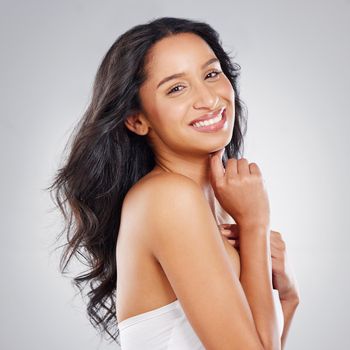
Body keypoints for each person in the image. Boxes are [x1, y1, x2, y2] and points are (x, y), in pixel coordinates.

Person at [48, 16, 300, 349]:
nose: (209, 99)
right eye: (176, 88)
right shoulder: (167, 198)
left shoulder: (219, 210)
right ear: (138, 120)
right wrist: (254, 225)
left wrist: (288, 296)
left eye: (211, 74)